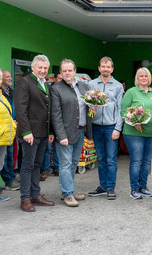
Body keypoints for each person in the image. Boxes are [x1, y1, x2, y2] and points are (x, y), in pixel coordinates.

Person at [14, 55, 55, 212]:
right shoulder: (25, 83)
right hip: (30, 133)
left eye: (45, 68)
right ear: (32, 68)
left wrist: (50, 131)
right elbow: (20, 109)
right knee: (27, 166)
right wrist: (26, 131)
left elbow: (48, 110)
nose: (43, 70)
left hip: (43, 133)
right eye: (40, 67)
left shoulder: (45, 84)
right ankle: (25, 199)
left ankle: (35, 195)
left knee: (37, 165)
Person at [51, 60, 92, 207]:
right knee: (65, 163)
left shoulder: (83, 86)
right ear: (61, 73)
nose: (67, 73)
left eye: (70, 70)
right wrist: (61, 135)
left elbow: (87, 107)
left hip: (80, 130)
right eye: (64, 71)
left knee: (74, 162)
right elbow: (55, 115)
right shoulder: (56, 89)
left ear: (75, 71)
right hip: (65, 133)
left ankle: (68, 190)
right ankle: (68, 194)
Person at [121, 68, 152, 200]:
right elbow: (123, 111)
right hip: (133, 132)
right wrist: (133, 121)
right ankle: (134, 189)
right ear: (137, 79)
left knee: (146, 161)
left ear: (149, 78)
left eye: (146, 76)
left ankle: (143, 187)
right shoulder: (131, 92)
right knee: (136, 161)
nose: (143, 78)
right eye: (141, 76)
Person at [88, 57, 123, 200]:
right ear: (99, 68)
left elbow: (121, 108)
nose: (105, 69)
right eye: (103, 66)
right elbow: (87, 103)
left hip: (111, 127)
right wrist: (91, 109)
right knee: (101, 158)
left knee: (111, 159)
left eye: (108, 67)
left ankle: (110, 187)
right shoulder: (91, 84)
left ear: (112, 69)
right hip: (96, 126)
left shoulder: (118, 86)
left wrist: (118, 128)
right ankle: (102, 186)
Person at [1, 69, 19, 191]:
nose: (10, 78)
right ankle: (9, 180)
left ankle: (10, 179)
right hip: (3, 131)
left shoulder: (8, 93)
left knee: (9, 157)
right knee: (5, 157)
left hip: (10, 130)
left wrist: (14, 123)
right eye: (6, 77)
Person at [41, 72, 62, 180]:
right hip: (48, 124)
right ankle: (45, 170)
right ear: (54, 79)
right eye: (59, 78)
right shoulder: (48, 89)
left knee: (58, 148)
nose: (61, 80)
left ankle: (57, 169)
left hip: (58, 124)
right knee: (47, 148)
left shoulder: (64, 90)